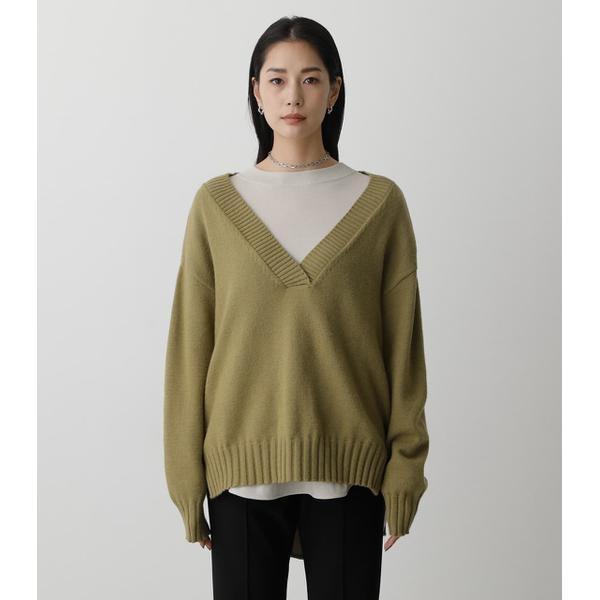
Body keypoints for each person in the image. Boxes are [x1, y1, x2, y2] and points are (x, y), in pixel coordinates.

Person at [164, 15, 430, 600]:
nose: (293, 96)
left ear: (334, 91)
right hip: (239, 477)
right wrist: (185, 475)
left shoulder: (380, 203)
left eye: (310, 79)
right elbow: (190, 350)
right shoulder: (216, 205)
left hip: (351, 474)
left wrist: (406, 466)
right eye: (277, 79)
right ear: (256, 91)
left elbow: (403, 351)